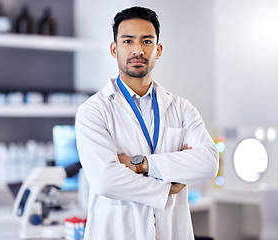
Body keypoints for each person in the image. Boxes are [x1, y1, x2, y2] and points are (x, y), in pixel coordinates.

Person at [75, 6, 219, 240]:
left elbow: (209, 162)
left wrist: (141, 165)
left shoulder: (181, 108)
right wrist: (166, 187)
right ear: (114, 49)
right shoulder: (93, 111)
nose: (138, 50)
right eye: (128, 41)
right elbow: (105, 181)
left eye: (147, 41)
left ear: (158, 50)